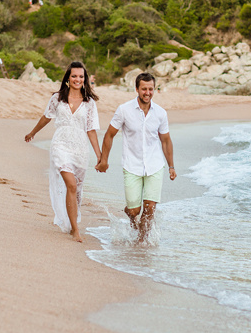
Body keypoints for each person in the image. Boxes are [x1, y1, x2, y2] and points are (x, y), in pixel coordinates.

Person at [25, 62, 102, 243]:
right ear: (68, 77)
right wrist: (33, 132)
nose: (77, 79)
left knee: (76, 190)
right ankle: (75, 230)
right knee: (71, 185)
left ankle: (70, 221)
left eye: (81, 76)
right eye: (74, 76)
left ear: (85, 79)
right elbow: (46, 117)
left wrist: (100, 155)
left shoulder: (89, 103)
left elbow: (91, 130)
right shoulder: (58, 98)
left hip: (80, 149)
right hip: (60, 145)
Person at [96, 73, 175, 243]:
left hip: (155, 165)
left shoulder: (160, 113)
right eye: (144, 89)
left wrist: (171, 166)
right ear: (137, 89)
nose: (148, 93)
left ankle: (141, 241)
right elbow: (109, 135)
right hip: (132, 165)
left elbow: (166, 141)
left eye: (151, 89)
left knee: (150, 208)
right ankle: (131, 214)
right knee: (134, 211)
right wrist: (104, 160)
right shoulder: (124, 110)